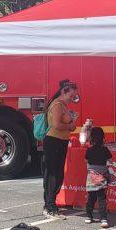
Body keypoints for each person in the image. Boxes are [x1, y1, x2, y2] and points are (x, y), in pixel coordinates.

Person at [43, 79, 79, 218]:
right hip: (54, 141)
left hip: (61, 141)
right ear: (64, 92)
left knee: (58, 174)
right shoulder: (57, 105)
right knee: (52, 174)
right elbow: (56, 125)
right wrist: (70, 126)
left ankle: (50, 204)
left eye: (74, 96)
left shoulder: (63, 105)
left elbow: (66, 125)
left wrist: (72, 124)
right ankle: (50, 206)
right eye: (71, 96)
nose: (72, 99)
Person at [83, 126, 112, 228]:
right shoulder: (105, 149)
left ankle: (89, 216)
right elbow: (111, 160)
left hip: (91, 176)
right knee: (102, 198)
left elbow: (86, 160)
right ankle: (103, 219)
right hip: (102, 176)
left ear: (91, 138)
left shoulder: (89, 150)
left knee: (91, 197)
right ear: (103, 138)